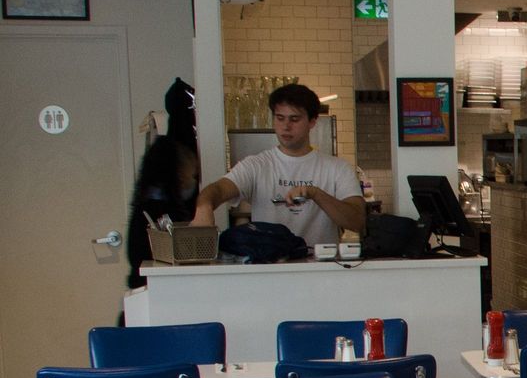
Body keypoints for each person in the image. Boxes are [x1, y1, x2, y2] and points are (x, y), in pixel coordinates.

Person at [191, 83, 365, 247]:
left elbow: (357, 221)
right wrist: (204, 207)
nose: (286, 126)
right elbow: (218, 189)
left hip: (320, 266)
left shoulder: (337, 168)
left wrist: (315, 193)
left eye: (294, 119)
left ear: (312, 121)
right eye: (280, 118)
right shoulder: (256, 165)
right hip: (270, 265)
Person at [124, 135, 198, 290]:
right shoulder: (162, 213)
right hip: (156, 288)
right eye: (191, 175)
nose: (192, 181)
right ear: (178, 174)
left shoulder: (144, 204)